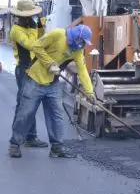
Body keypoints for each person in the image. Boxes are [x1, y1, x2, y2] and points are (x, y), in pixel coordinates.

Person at [9, 24, 95, 159]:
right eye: (82, 41)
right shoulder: (58, 34)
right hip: (34, 80)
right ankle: (14, 144)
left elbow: (82, 71)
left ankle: (57, 147)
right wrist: (50, 63)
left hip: (53, 84)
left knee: (56, 115)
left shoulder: (77, 51)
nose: (83, 45)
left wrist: (90, 92)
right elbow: (36, 46)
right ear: (77, 37)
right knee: (26, 113)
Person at [9, 0, 48, 148]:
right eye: (30, 16)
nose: (32, 18)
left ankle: (31, 137)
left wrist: (40, 26)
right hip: (24, 69)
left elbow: (42, 37)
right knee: (23, 105)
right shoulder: (16, 30)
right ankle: (17, 139)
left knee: (31, 104)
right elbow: (32, 45)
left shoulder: (33, 25)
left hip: (35, 68)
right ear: (22, 17)